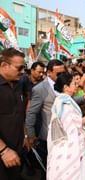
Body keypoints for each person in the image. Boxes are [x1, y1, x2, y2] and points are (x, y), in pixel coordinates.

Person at [47, 73, 85, 180]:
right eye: (74, 83)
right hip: (68, 148)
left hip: (63, 146)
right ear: (66, 87)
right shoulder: (66, 105)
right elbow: (78, 124)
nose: (77, 85)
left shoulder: (61, 100)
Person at [0, 48, 26, 180]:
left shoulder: (18, 84)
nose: (22, 71)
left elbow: (19, 114)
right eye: (19, 68)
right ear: (4, 65)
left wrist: (25, 134)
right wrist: (3, 150)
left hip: (16, 151)